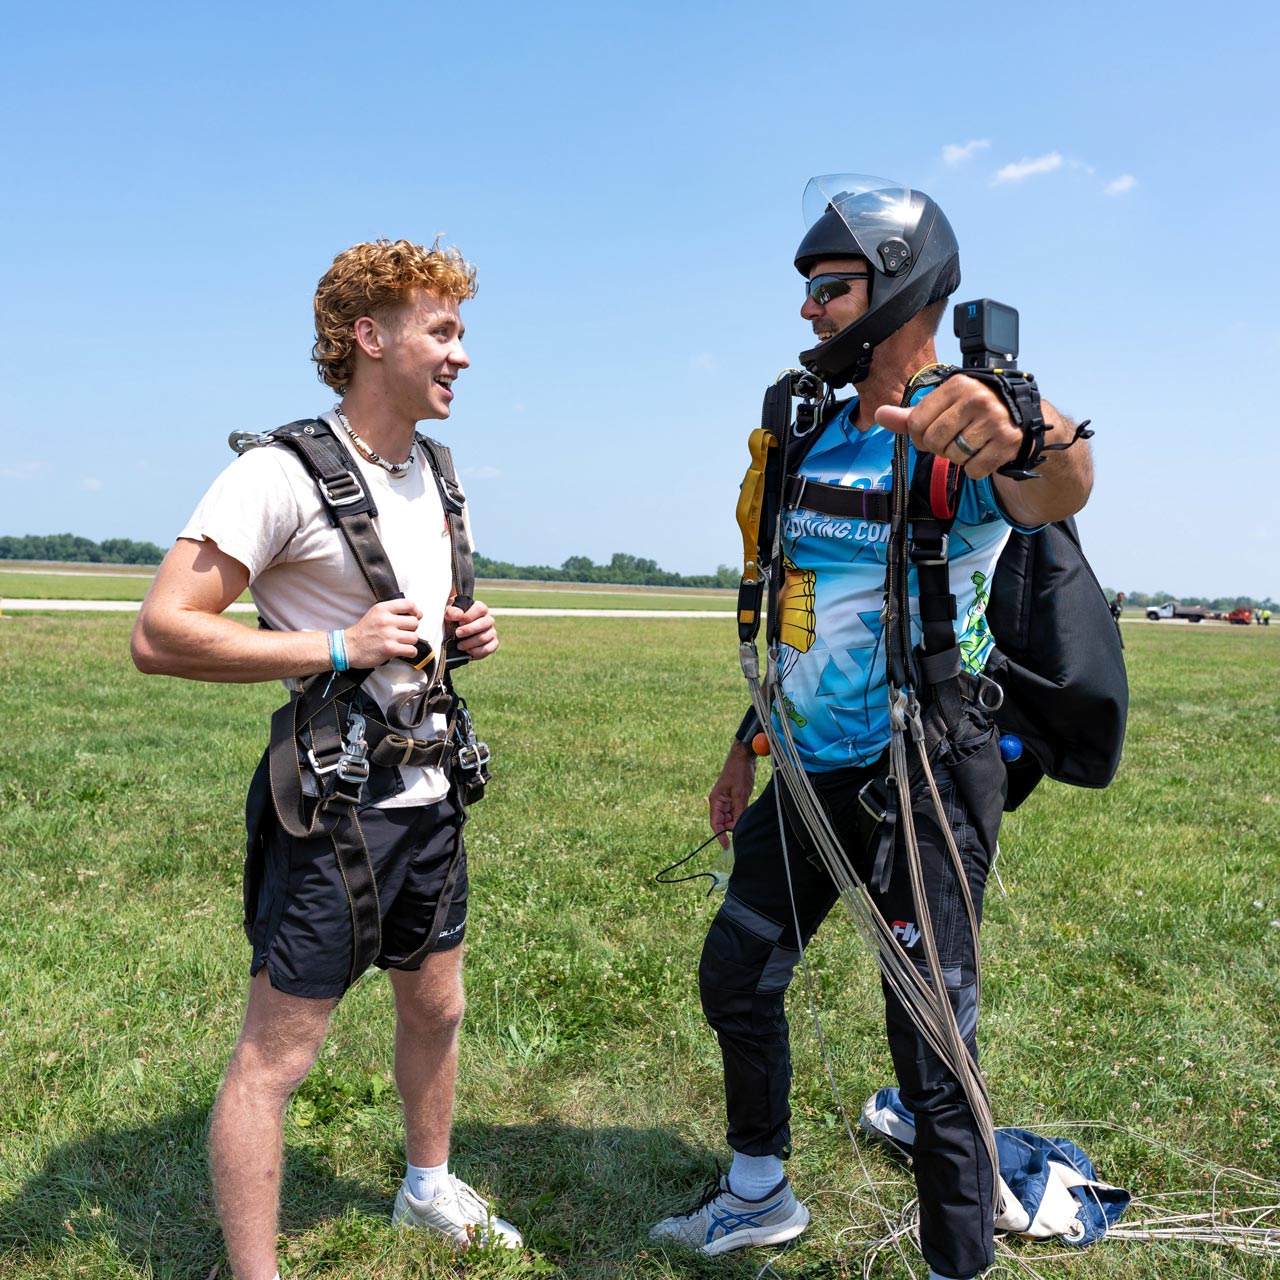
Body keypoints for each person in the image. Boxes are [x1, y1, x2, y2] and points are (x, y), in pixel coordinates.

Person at [650, 177, 1093, 1280]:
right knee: (735, 973)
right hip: (803, 773)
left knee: (931, 1045)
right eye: (806, 290)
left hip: (920, 779)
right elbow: (799, 609)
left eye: (829, 288)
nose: (808, 310)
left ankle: (954, 1262)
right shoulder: (810, 428)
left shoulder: (956, 429)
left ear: (896, 290)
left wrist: (1025, 427)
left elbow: (1060, 486)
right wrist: (745, 742)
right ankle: (756, 1191)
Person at [131, 239, 520, 1280]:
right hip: (336, 810)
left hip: (431, 789)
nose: (462, 354)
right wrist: (341, 646)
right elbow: (161, 630)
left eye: (460, 331)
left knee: (437, 1004)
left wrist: (453, 630)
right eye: (443, 330)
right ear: (369, 337)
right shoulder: (276, 473)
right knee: (277, 1054)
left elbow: (399, 616)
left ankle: (426, 1183)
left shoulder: (434, 470)